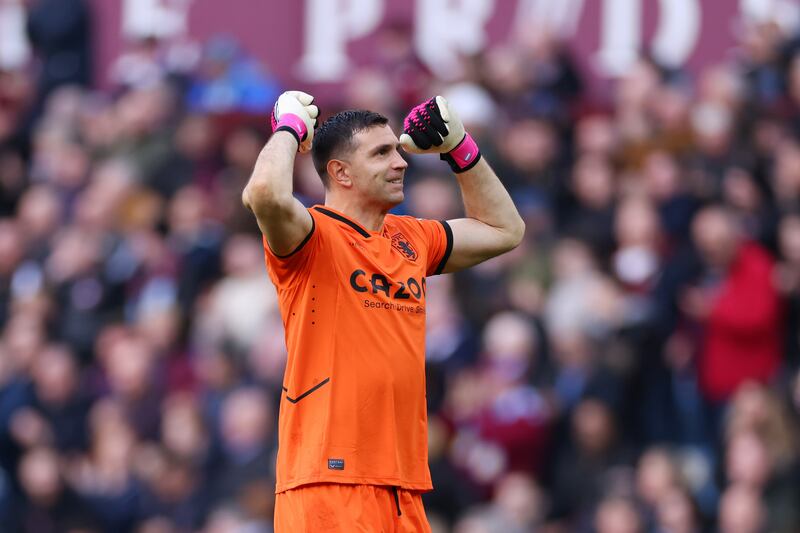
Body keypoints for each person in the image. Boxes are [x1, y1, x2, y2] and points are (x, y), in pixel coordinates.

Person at [242, 90, 525, 532]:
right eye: (381, 153)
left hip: (401, 488)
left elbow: (505, 230)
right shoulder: (309, 238)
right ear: (341, 173)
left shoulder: (411, 239)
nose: (401, 162)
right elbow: (264, 193)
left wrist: (460, 149)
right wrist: (288, 129)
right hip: (327, 485)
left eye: (397, 149)